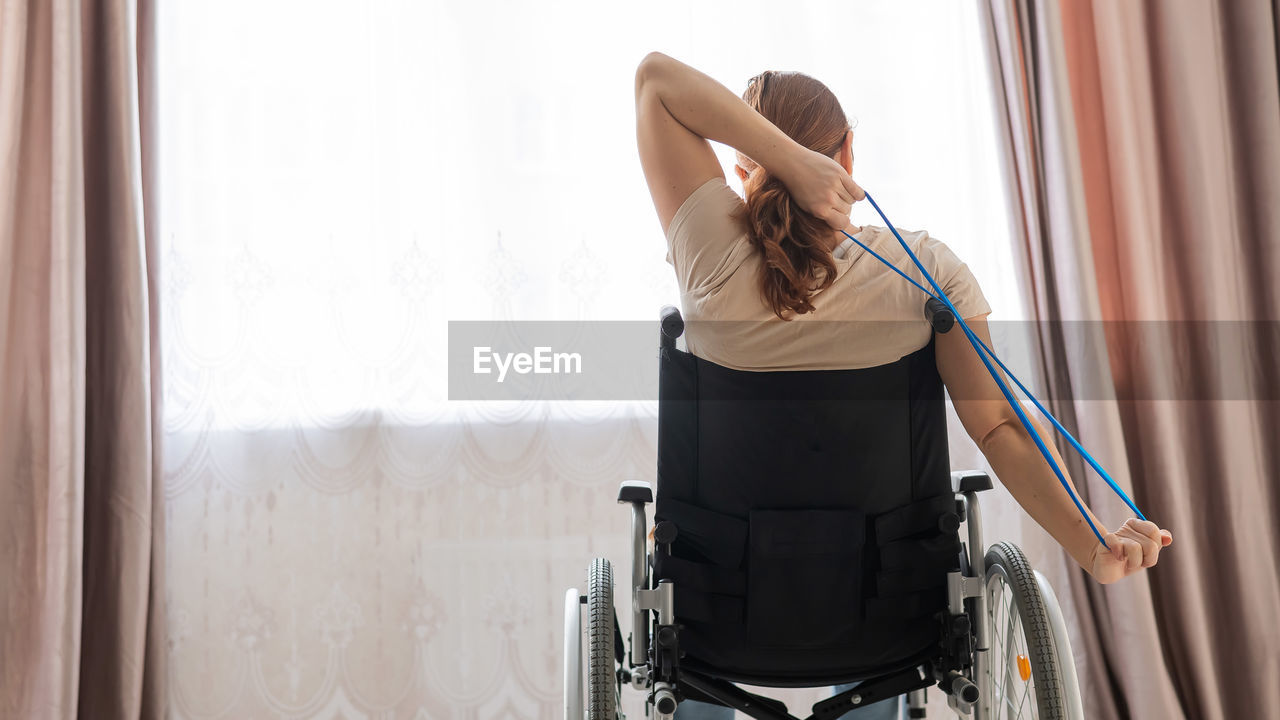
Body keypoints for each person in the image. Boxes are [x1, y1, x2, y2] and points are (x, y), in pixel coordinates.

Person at [634, 51, 1174, 720]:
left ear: (741, 165)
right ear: (848, 153)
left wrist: (783, 160)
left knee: (692, 621)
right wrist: (1092, 545)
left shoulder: (710, 261)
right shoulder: (924, 275)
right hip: (885, 615)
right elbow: (998, 428)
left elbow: (656, 79)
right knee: (883, 604)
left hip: (723, 615)